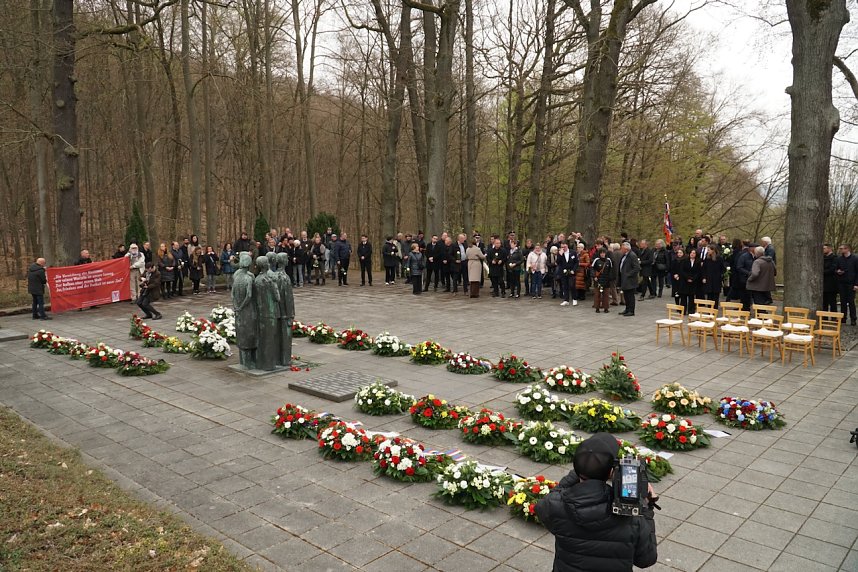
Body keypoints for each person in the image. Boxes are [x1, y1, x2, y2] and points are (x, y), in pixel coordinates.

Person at [536, 433, 658, 572]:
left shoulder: (555, 505)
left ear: (576, 469)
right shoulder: (630, 512)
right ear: (611, 472)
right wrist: (647, 508)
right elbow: (646, 559)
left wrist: (580, 472)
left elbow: (546, 503)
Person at [835, 244, 858, 325]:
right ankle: (843, 318)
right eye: (840, 249)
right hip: (842, 283)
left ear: (847, 249)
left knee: (851, 302)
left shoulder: (855, 258)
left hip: (851, 283)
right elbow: (836, 268)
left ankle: (853, 319)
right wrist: (838, 271)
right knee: (843, 301)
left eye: (842, 249)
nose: (841, 250)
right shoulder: (839, 259)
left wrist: (856, 284)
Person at [618, 242, 640, 317]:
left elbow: (637, 268)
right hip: (624, 279)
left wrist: (628, 274)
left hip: (630, 280)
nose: (621, 249)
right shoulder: (624, 255)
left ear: (626, 249)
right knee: (626, 295)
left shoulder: (632, 255)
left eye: (622, 248)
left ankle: (631, 310)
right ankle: (627, 309)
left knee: (630, 296)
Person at [677, 248, 701, 315]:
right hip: (685, 281)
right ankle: (682, 311)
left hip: (693, 282)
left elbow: (698, 272)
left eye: (694, 253)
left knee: (691, 297)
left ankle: (691, 311)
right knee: (683, 297)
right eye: (691, 253)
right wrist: (687, 278)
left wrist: (692, 279)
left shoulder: (698, 262)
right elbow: (682, 271)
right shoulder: (684, 261)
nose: (692, 254)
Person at [734, 242, 755, 311]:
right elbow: (739, 267)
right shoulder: (744, 256)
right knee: (744, 295)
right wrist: (748, 273)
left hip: (752, 279)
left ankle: (747, 307)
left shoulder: (756, 256)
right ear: (751, 248)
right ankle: (744, 308)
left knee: (749, 295)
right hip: (744, 279)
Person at [556, 242, 578, 307]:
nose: (563, 248)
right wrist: (560, 255)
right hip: (563, 272)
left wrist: (573, 270)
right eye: (562, 247)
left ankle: (574, 299)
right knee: (564, 286)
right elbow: (557, 262)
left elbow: (576, 262)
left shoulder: (573, 252)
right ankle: (566, 300)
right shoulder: (560, 253)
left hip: (571, 271)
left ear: (567, 246)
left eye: (564, 247)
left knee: (572, 285)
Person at [592, 248, 613, 313]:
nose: (602, 254)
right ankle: (597, 308)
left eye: (603, 253)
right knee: (597, 295)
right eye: (601, 253)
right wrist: (594, 276)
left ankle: (606, 308)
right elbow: (592, 269)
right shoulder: (596, 260)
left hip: (606, 280)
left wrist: (610, 278)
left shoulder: (608, 260)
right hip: (598, 279)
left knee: (606, 295)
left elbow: (611, 270)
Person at [823, 244, 838, 313]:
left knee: (832, 303)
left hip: (832, 284)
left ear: (829, 249)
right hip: (824, 283)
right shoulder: (823, 258)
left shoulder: (834, 258)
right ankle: (824, 318)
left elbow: (832, 269)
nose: (823, 250)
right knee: (824, 303)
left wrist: (822, 272)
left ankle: (834, 318)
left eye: (824, 248)